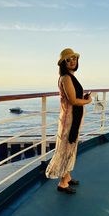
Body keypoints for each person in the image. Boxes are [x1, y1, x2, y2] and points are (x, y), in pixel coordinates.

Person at [45, 48, 92, 194]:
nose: (72, 61)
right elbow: (72, 100)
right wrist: (88, 101)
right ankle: (62, 183)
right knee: (65, 149)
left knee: (70, 148)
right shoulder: (66, 78)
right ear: (63, 63)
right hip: (68, 121)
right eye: (69, 59)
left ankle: (68, 176)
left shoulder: (70, 77)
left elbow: (74, 97)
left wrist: (82, 98)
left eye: (74, 58)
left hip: (72, 118)